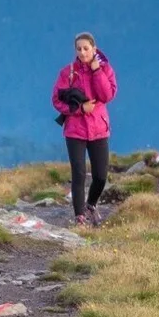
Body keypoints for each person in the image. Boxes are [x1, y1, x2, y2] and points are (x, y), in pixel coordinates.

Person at [51, 32, 117, 227]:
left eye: (86, 48)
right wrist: (80, 109)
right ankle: (80, 217)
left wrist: (97, 71)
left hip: (98, 129)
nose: (82, 52)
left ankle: (91, 205)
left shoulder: (105, 69)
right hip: (75, 130)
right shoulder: (67, 73)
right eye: (79, 49)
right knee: (78, 173)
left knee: (101, 176)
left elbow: (107, 95)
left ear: (94, 49)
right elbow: (56, 100)